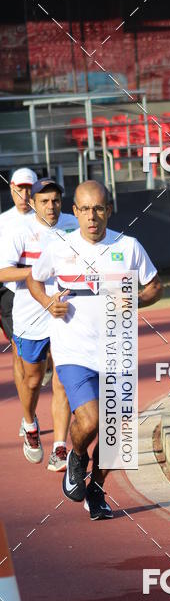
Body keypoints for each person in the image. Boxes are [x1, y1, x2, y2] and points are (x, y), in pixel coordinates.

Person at [28, 180, 162, 519]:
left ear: (109, 210)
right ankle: (76, 455)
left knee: (117, 431)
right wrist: (47, 301)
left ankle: (97, 490)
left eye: (99, 209)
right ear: (75, 212)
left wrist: (135, 299)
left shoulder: (128, 246)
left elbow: (155, 286)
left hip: (118, 348)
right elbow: (34, 278)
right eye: (85, 209)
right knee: (90, 418)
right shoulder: (59, 245)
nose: (92, 217)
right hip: (74, 350)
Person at [0, 178, 77, 468]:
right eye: (44, 201)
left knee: (63, 380)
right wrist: (38, 271)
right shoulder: (19, 232)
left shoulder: (73, 223)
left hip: (67, 314)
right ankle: (30, 423)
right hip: (30, 315)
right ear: (33, 204)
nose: (51, 206)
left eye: (55, 200)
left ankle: (59, 447)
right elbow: (2, 272)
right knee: (32, 380)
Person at [0, 168, 41, 408]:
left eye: (28, 189)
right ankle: (29, 416)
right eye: (19, 188)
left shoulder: (47, 217)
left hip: (44, 291)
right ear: (11, 188)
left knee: (45, 356)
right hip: (10, 292)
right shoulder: (3, 221)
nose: (24, 194)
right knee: (18, 350)